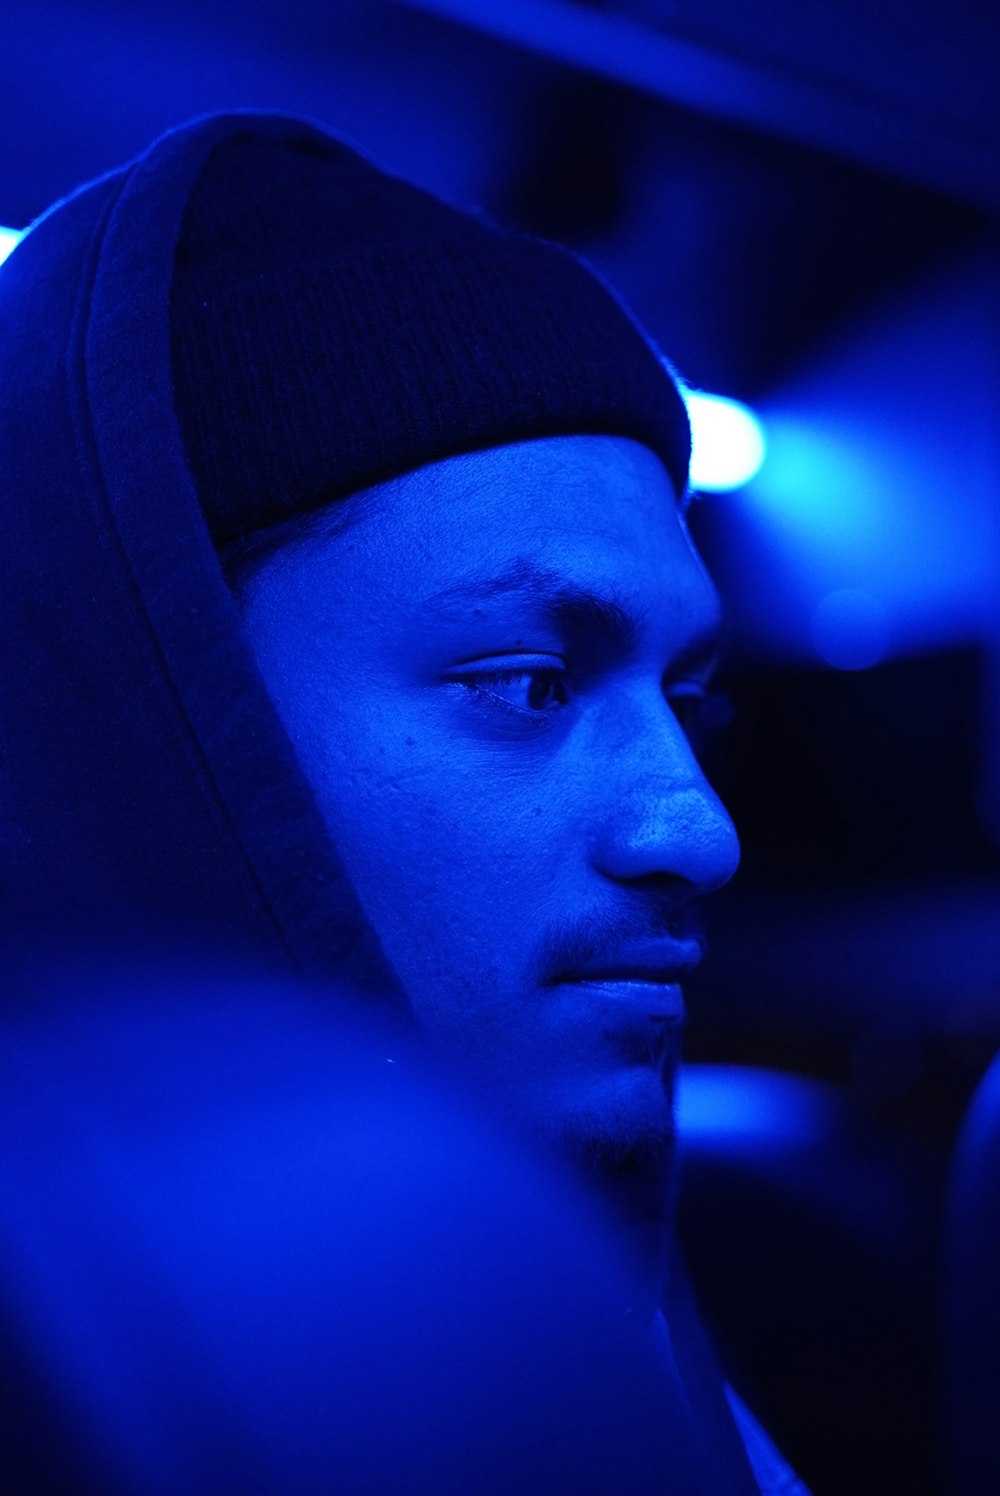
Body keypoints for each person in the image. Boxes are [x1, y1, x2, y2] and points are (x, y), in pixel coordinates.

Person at [0, 110, 808, 1492]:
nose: (701, 832)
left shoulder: (652, 1356)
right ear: (171, 716)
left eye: (694, 702)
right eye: (533, 684)